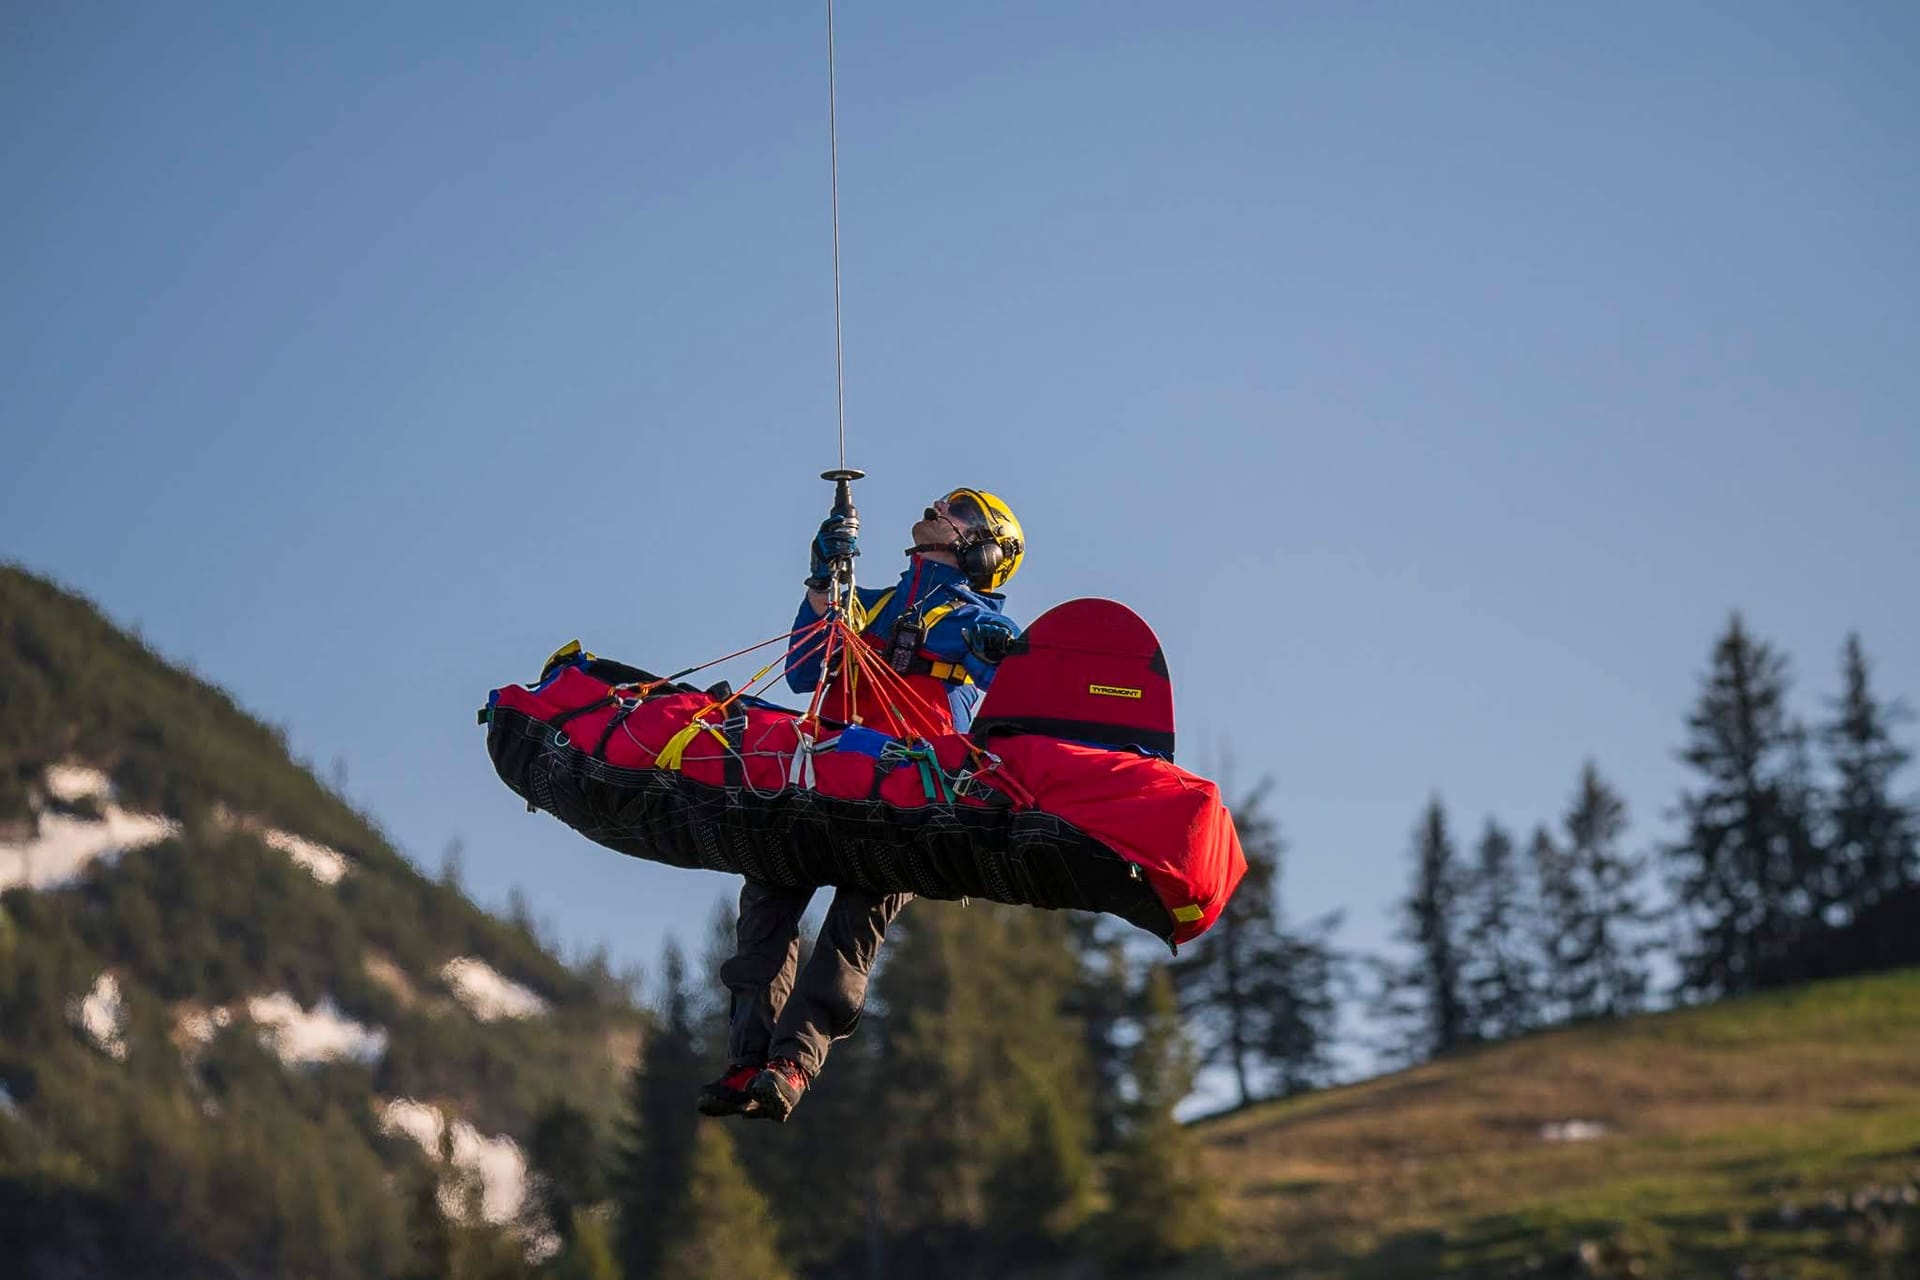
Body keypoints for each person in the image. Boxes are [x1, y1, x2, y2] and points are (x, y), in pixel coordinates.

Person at [698, 488, 1026, 1122]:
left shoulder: (982, 622)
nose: (938, 506)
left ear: (986, 551)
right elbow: (801, 671)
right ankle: (748, 1061)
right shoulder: (866, 605)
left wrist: (996, 643)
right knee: (764, 914)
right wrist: (823, 581)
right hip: (821, 779)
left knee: (850, 934)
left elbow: (1014, 679)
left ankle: (792, 1065)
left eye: (959, 510)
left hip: (905, 801)